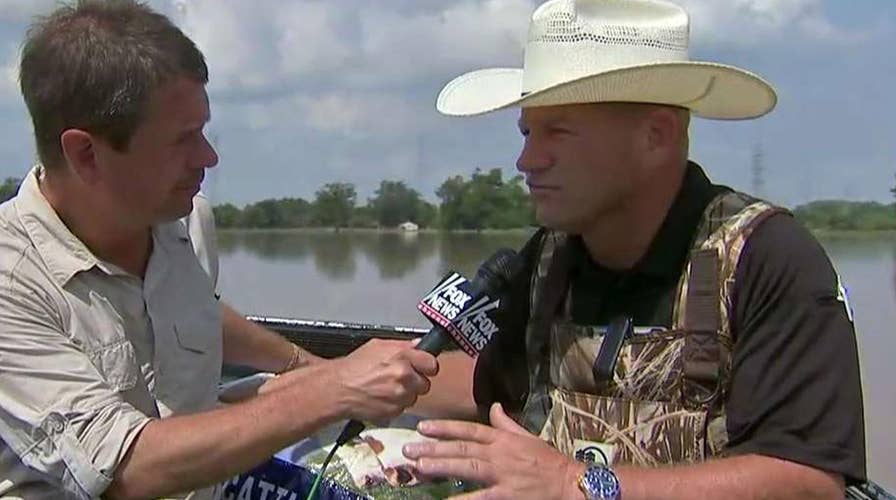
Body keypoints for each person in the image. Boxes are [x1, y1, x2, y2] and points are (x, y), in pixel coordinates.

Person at [402, 0, 866, 498]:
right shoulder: (547, 261)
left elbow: (810, 484)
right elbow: (487, 391)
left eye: (557, 131)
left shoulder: (767, 259)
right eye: (527, 132)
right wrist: (333, 378)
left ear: (657, 135)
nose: (526, 160)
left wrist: (574, 484)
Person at [0, 1, 437, 499]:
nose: (208, 157)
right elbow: (125, 470)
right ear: (85, 153)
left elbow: (198, 344)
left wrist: (322, 370)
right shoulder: (11, 282)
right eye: (183, 140)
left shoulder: (185, 223)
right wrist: (334, 389)